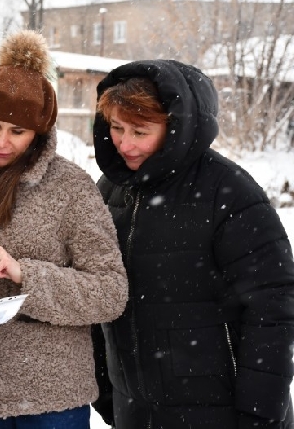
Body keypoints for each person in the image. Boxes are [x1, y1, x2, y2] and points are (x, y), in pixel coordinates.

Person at [0, 30, 129, 429]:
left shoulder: (71, 187)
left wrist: (24, 274)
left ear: (38, 134)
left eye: (17, 131)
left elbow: (110, 292)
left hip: (52, 405)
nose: (0, 141)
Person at [91, 59, 294, 429]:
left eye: (140, 131)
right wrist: (106, 389)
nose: (124, 144)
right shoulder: (109, 191)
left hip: (221, 412)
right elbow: (97, 295)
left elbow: (273, 307)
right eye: (117, 128)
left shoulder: (229, 193)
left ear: (176, 128)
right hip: (136, 412)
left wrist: (259, 413)